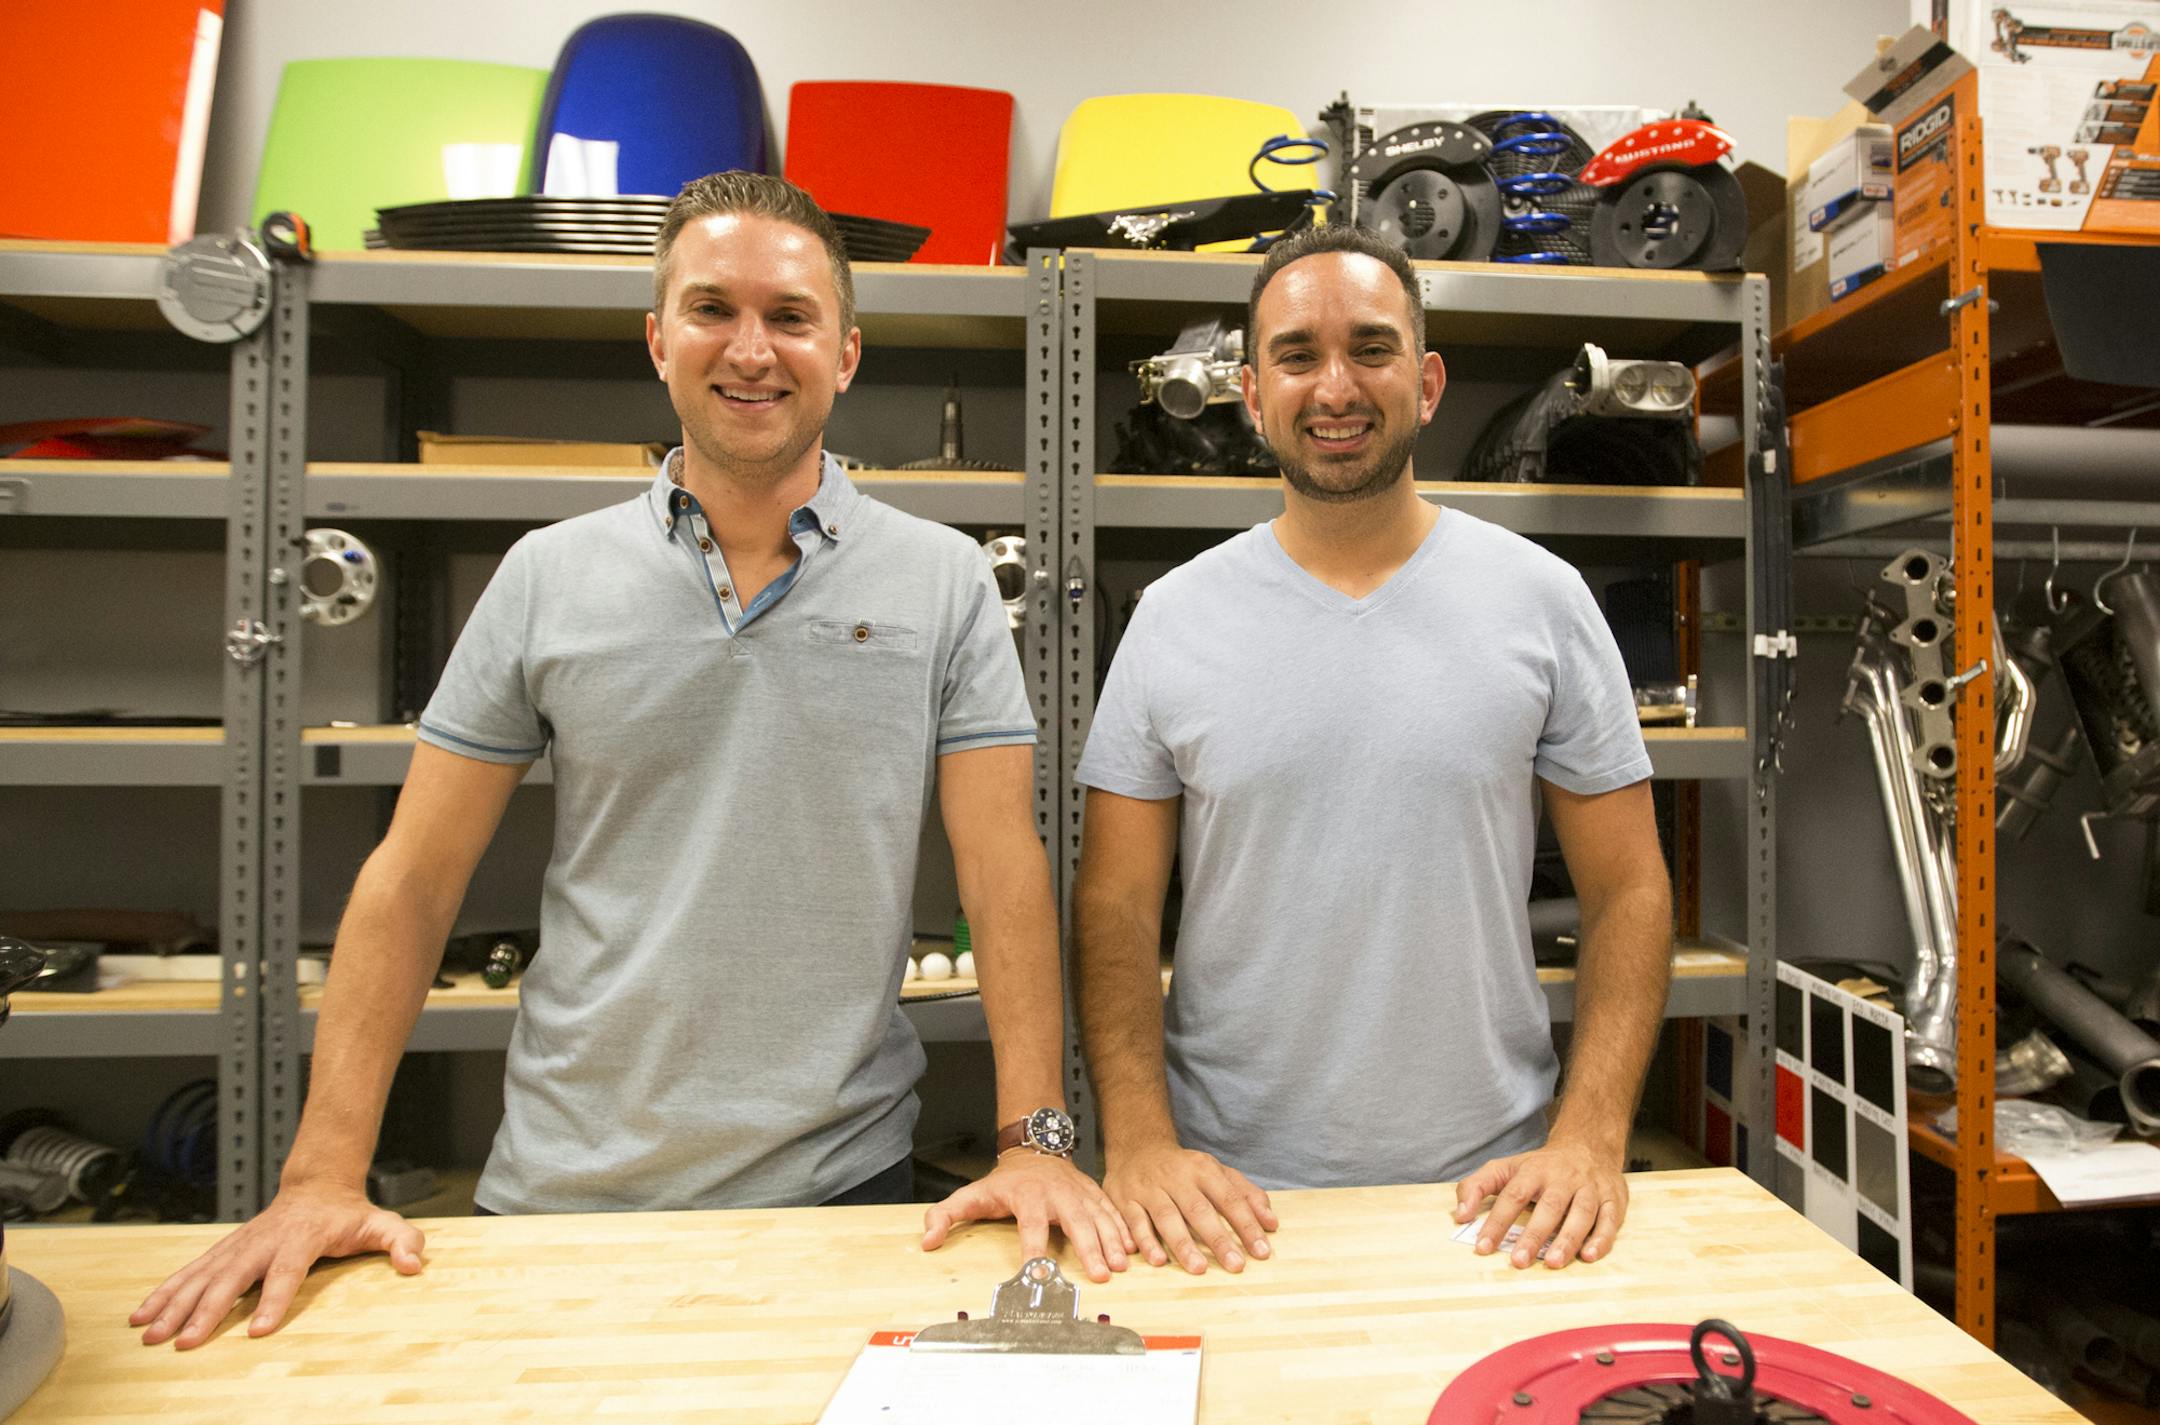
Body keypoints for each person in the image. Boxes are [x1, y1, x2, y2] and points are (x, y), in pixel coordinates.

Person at [133, 173, 1127, 1351]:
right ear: (659, 341)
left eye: (791, 316)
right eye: (712, 310)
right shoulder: (547, 576)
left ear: (846, 353)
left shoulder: (943, 579)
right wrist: (320, 1174)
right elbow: (413, 880)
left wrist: (1035, 1141)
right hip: (563, 1190)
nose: (751, 350)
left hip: (841, 1190)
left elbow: (1003, 866)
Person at [1072, 224, 1673, 1278]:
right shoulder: (1171, 619)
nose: (1335, 386)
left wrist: (1589, 1138)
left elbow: (1629, 891)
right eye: (1298, 355)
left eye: (1372, 349)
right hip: (1226, 1204)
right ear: (1251, 394)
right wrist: (1141, 1144)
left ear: (1427, 381)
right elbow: (1114, 906)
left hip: (1494, 1196)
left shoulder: (1542, 601)